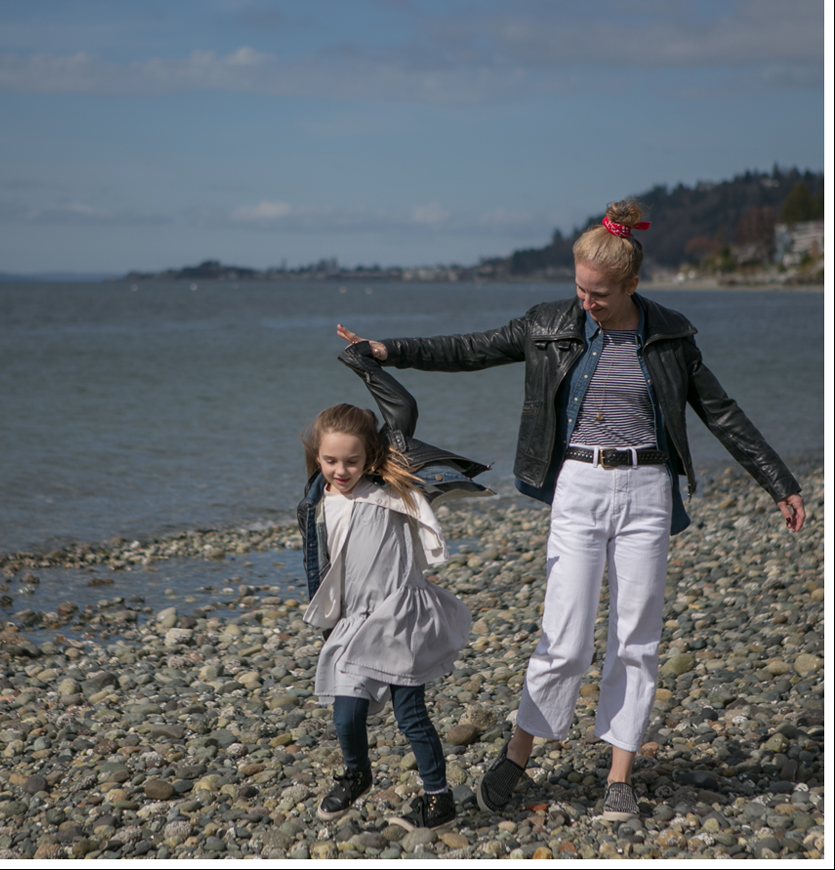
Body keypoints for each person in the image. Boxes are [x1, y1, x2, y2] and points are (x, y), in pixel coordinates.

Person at [336, 198, 805, 823]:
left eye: (600, 294)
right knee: (563, 636)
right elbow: (473, 348)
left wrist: (778, 481)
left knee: (636, 638)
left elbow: (721, 412)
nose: (587, 302)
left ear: (631, 284)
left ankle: (619, 776)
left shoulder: (670, 335)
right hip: (579, 486)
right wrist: (389, 349)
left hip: (647, 490)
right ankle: (518, 754)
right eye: (581, 288)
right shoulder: (549, 324)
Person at [297, 341, 491, 829]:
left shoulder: (388, 485)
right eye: (330, 460)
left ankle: (438, 799)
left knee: (411, 714)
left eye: (351, 461)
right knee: (346, 713)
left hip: (401, 615)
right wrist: (327, 621)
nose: (341, 471)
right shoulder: (317, 502)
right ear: (317, 456)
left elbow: (403, 409)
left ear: (371, 456)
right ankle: (356, 774)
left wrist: (362, 361)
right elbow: (320, 567)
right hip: (352, 619)